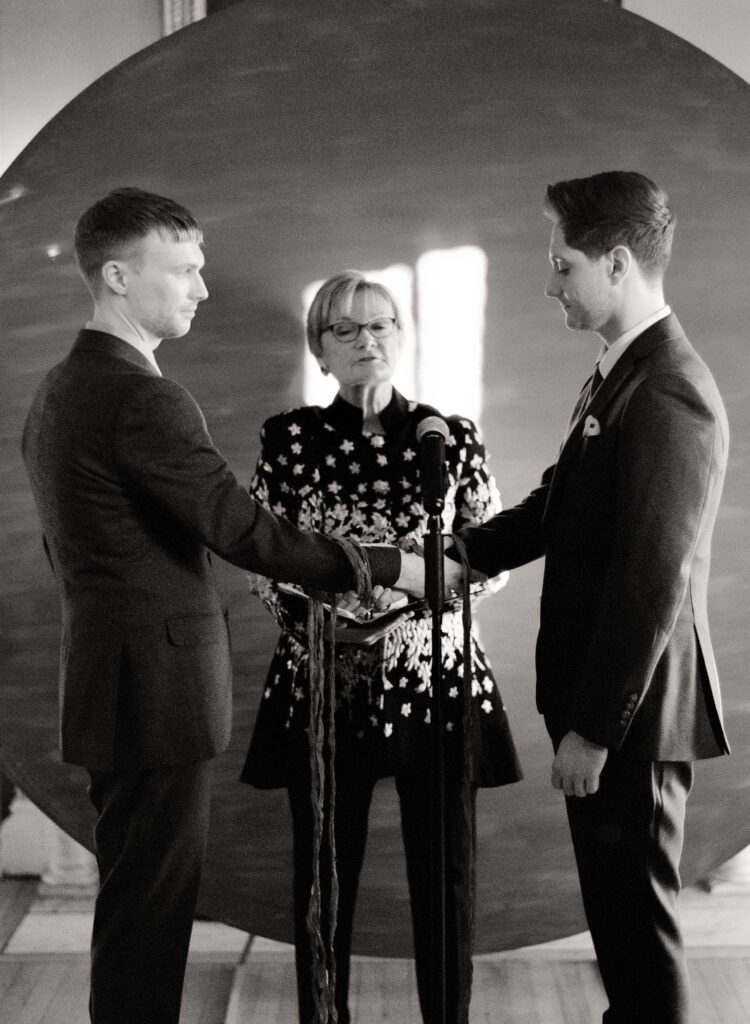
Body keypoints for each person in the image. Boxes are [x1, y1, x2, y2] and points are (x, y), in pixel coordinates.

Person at [20, 190, 414, 1024]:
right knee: (151, 910)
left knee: (137, 902)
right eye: (187, 270)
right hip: (154, 689)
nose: (202, 289)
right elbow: (242, 531)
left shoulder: (61, 387)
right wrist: (389, 566)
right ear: (120, 276)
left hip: (108, 678)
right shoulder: (142, 397)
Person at [448, 171, 730, 1024]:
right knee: (620, 931)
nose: (549, 284)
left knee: (636, 939)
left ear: (615, 262)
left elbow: (653, 578)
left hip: (630, 721)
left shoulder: (668, 388)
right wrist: (444, 559)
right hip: (615, 713)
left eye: (561, 264)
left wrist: (595, 730)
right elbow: (554, 507)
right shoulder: (622, 372)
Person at [240, 271, 521, 1024]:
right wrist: (335, 615)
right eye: (349, 330)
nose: (371, 341)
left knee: (447, 876)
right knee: (323, 879)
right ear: (321, 349)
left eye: (385, 325)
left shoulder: (449, 436)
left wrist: (406, 597)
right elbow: (264, 563)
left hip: (436, 681)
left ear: (402, 336)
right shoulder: (289, 439)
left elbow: (487, 559)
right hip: (326, 682)